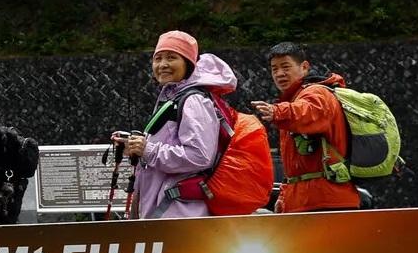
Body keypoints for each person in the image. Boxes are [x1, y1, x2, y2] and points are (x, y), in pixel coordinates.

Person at [119, 31, 239, 219]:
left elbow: (199, 156)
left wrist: (149, 150)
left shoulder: (193, 100)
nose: (163, 64)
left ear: (188, 63)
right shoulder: (173, 97)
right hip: (167, 209)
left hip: (179, 213)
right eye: (157, 58)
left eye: (172, 57)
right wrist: (138, 148)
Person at [251, 43, 363, 213]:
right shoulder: (294, 99)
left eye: (285, 67)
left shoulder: (316, 93)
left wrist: (277, 111)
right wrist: (284, 197)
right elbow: (296, 168)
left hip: (325, 202)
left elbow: (306, 112)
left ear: (304, 67)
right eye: (274, 69)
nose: (279, 74)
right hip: (310, 200)